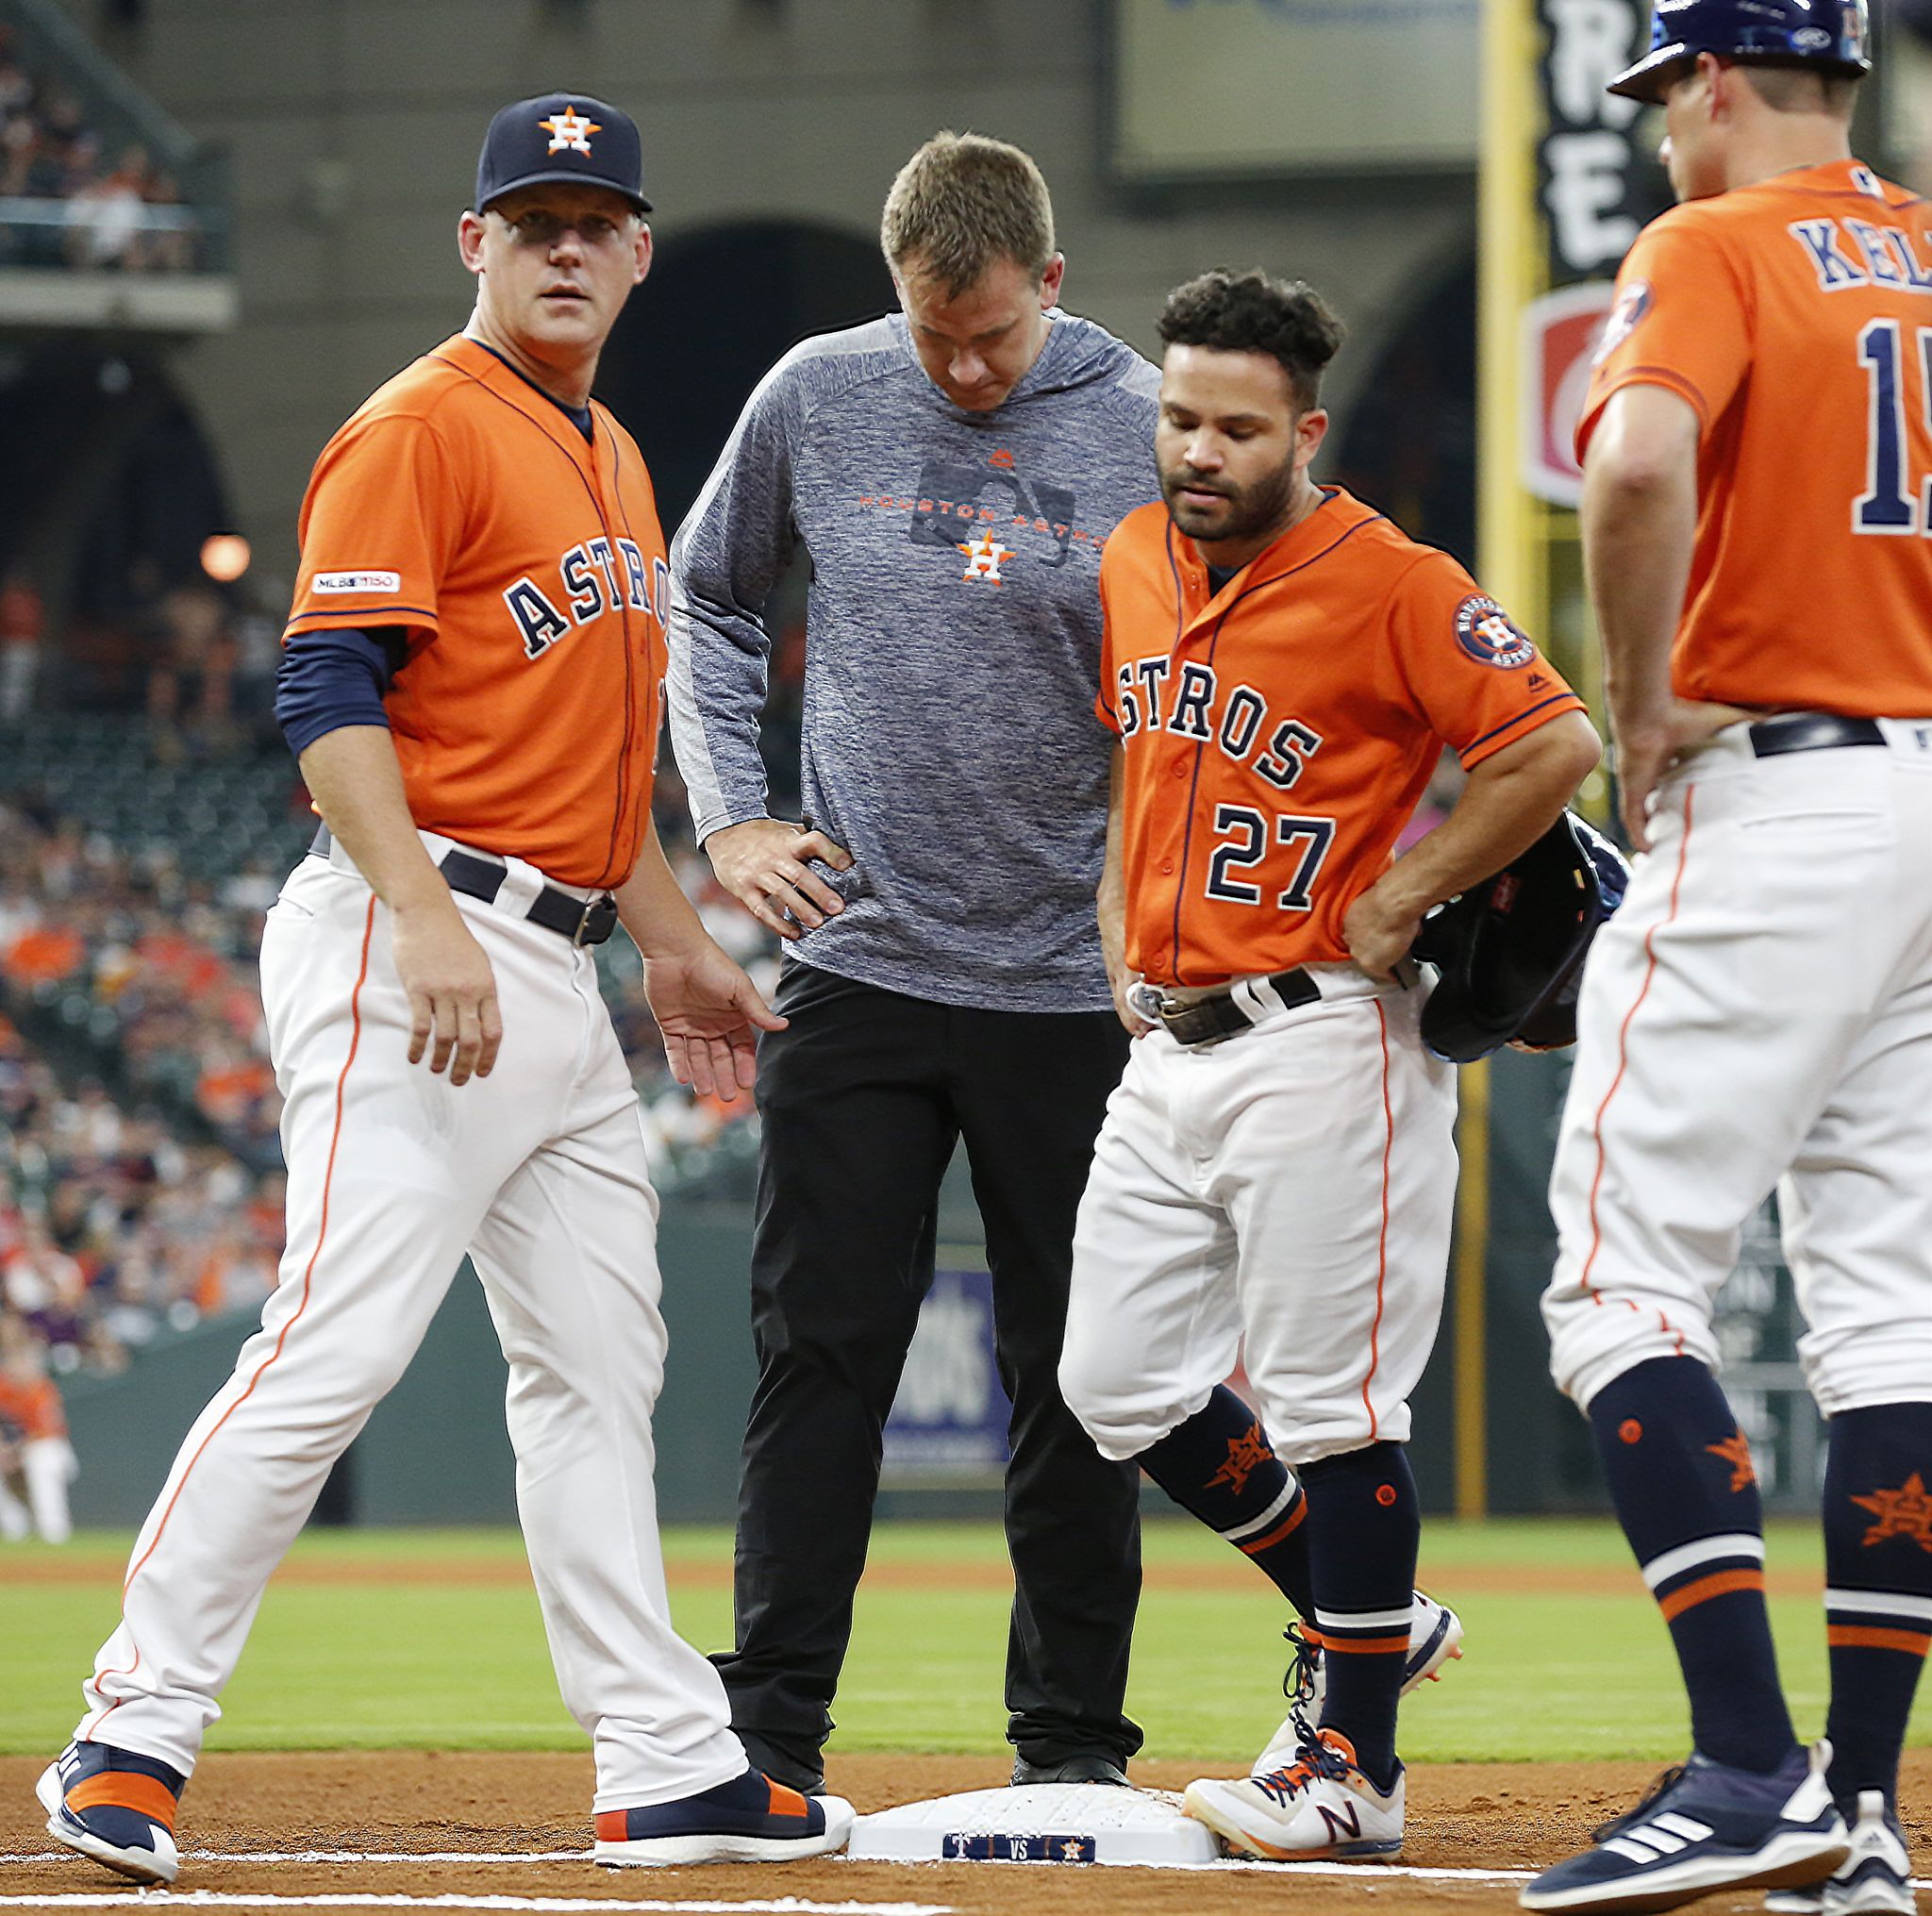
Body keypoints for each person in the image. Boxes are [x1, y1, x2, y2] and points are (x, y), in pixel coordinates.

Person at [35, 92, 853, 1888]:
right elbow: (326, 693)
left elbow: (593, 768)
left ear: (637, 253)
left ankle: (661, 1761)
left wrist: (673, 935)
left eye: (597, 221)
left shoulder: (622, 456)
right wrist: (417, 915)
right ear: (474, 243)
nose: (566, 247)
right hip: (417, 942)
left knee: (598, 1368)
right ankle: (132, 1726)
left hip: (562, 969)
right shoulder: (415, 426)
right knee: (335, 1341)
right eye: (532, 217)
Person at [1054, 268, 1600, 1862]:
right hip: (1168, 1049)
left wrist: (1406, 890)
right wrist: (1117, 946)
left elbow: (1554, 746)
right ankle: (1367, 1615)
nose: (1197, 450)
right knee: (1115, 1383)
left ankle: (1353, 1768)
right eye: (1177, 417)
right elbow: (1137, 775)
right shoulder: (1133, 558)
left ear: (1307, 429)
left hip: (1322, 1044)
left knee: (1334, 1415)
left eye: (1235, 426)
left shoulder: (1394, 578)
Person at [666, 131, 1158, 1791]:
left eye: (992, 338)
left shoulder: (1151, 419)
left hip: (1076, 984)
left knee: (1075, 1375)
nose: (958, 369)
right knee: (822, 1353)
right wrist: (733, 820)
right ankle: (768, 1737)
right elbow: (705, 605)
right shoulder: (817, 390)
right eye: (930, 332)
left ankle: (1075, 1750)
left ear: (1054, 286)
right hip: (861, 960)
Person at [1525, 0, 1932, 1909]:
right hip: (1925, 800)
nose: (1663, 132)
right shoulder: (1925, 253)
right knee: (1891, 1315)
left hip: (1773, 794)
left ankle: (1746, 1761)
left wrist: (1636, 699)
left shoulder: (1705, 242)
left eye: (1664, 97)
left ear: (1706, 79)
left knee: (1615, 1278)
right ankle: (1858, 1807)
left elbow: (1630, 472)